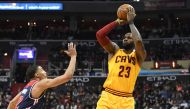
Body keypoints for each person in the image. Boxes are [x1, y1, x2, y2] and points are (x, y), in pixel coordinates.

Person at [96, 6, 146, 109]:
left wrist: (131, 23)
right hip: (108, 96)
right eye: (124, 37)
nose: (125, 39)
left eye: (129, 38)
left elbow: (139, 42)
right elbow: (99, 35)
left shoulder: (138, 56)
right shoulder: (114, 50)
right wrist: (117, 22)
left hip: (126, 100)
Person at [7, 42, 77, 109]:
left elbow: (12, 103)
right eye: (42, 70)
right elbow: (67, 76)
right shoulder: (40, 84)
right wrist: (73, 56)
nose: (45, 72)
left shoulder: (26, 88)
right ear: (37, 75)